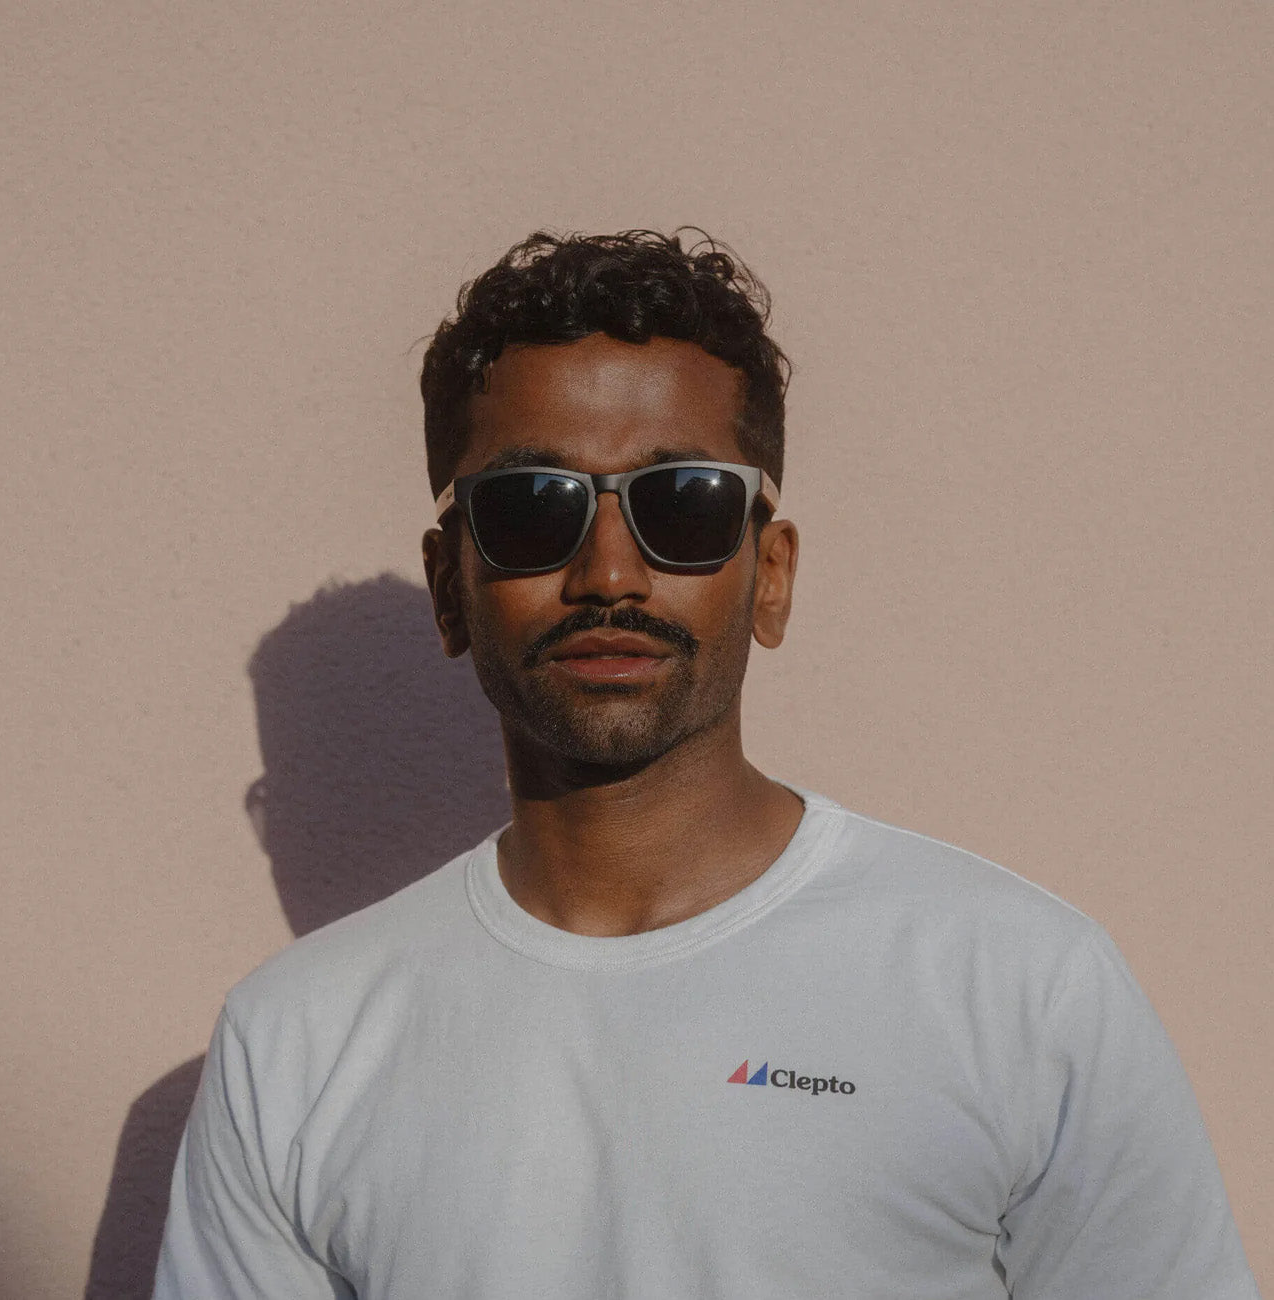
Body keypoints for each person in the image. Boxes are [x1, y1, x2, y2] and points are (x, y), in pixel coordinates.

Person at [153, 230, 1260, 1299]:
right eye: (531, 509)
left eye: (683, 503)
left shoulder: (1015, 984)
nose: (609, 574)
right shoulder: (294, 1042)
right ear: (452, 588)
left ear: (769, 574)